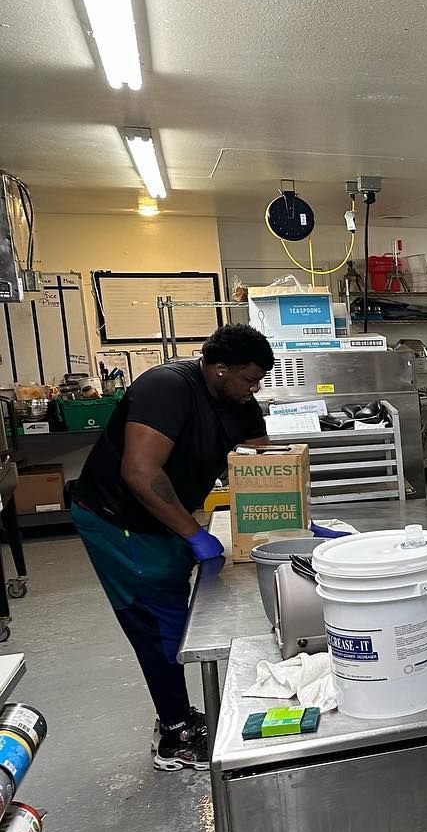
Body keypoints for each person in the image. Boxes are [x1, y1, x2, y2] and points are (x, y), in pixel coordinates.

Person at [73, 324, 275, 770]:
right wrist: (194, 535)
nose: (254, 388)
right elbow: (141, 473)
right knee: (159, 618)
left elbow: (261, 470)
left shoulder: (237, 401)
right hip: (118, 519)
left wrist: (293, 520)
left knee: (178, 609)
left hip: (166, 518)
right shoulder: (166, 388)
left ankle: (179, 716)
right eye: (249, 378)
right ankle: (174, 734)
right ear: (219, 368)